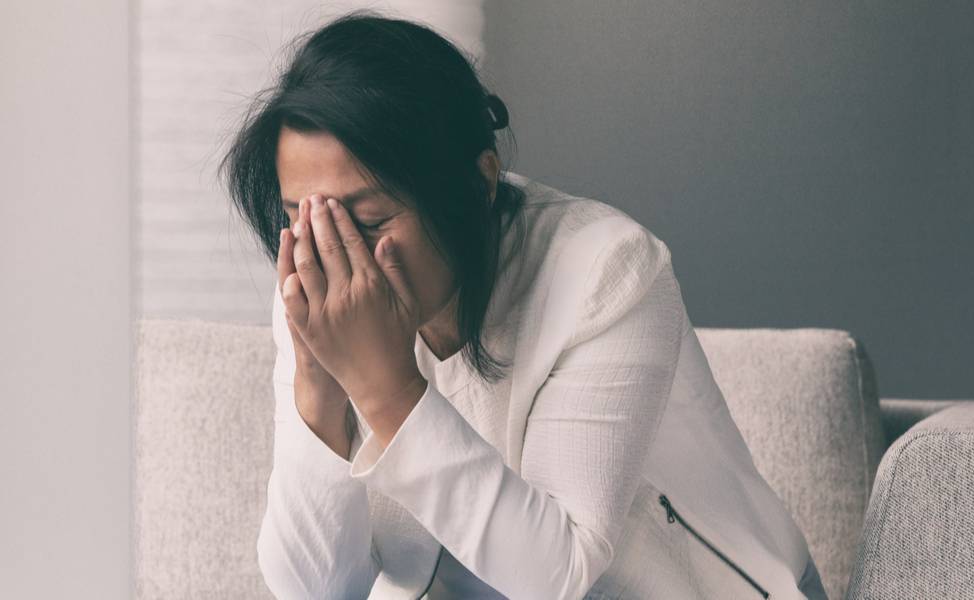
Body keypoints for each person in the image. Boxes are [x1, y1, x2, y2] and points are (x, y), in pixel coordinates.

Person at [218, 9, 828, 600]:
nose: (333, 254)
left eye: (370, 220)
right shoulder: (314, 280)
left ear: (479, 183)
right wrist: (319, 391)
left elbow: (556, 579)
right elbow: (316, 589)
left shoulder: (607, 271)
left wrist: (384, 388)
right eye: (303, 218)